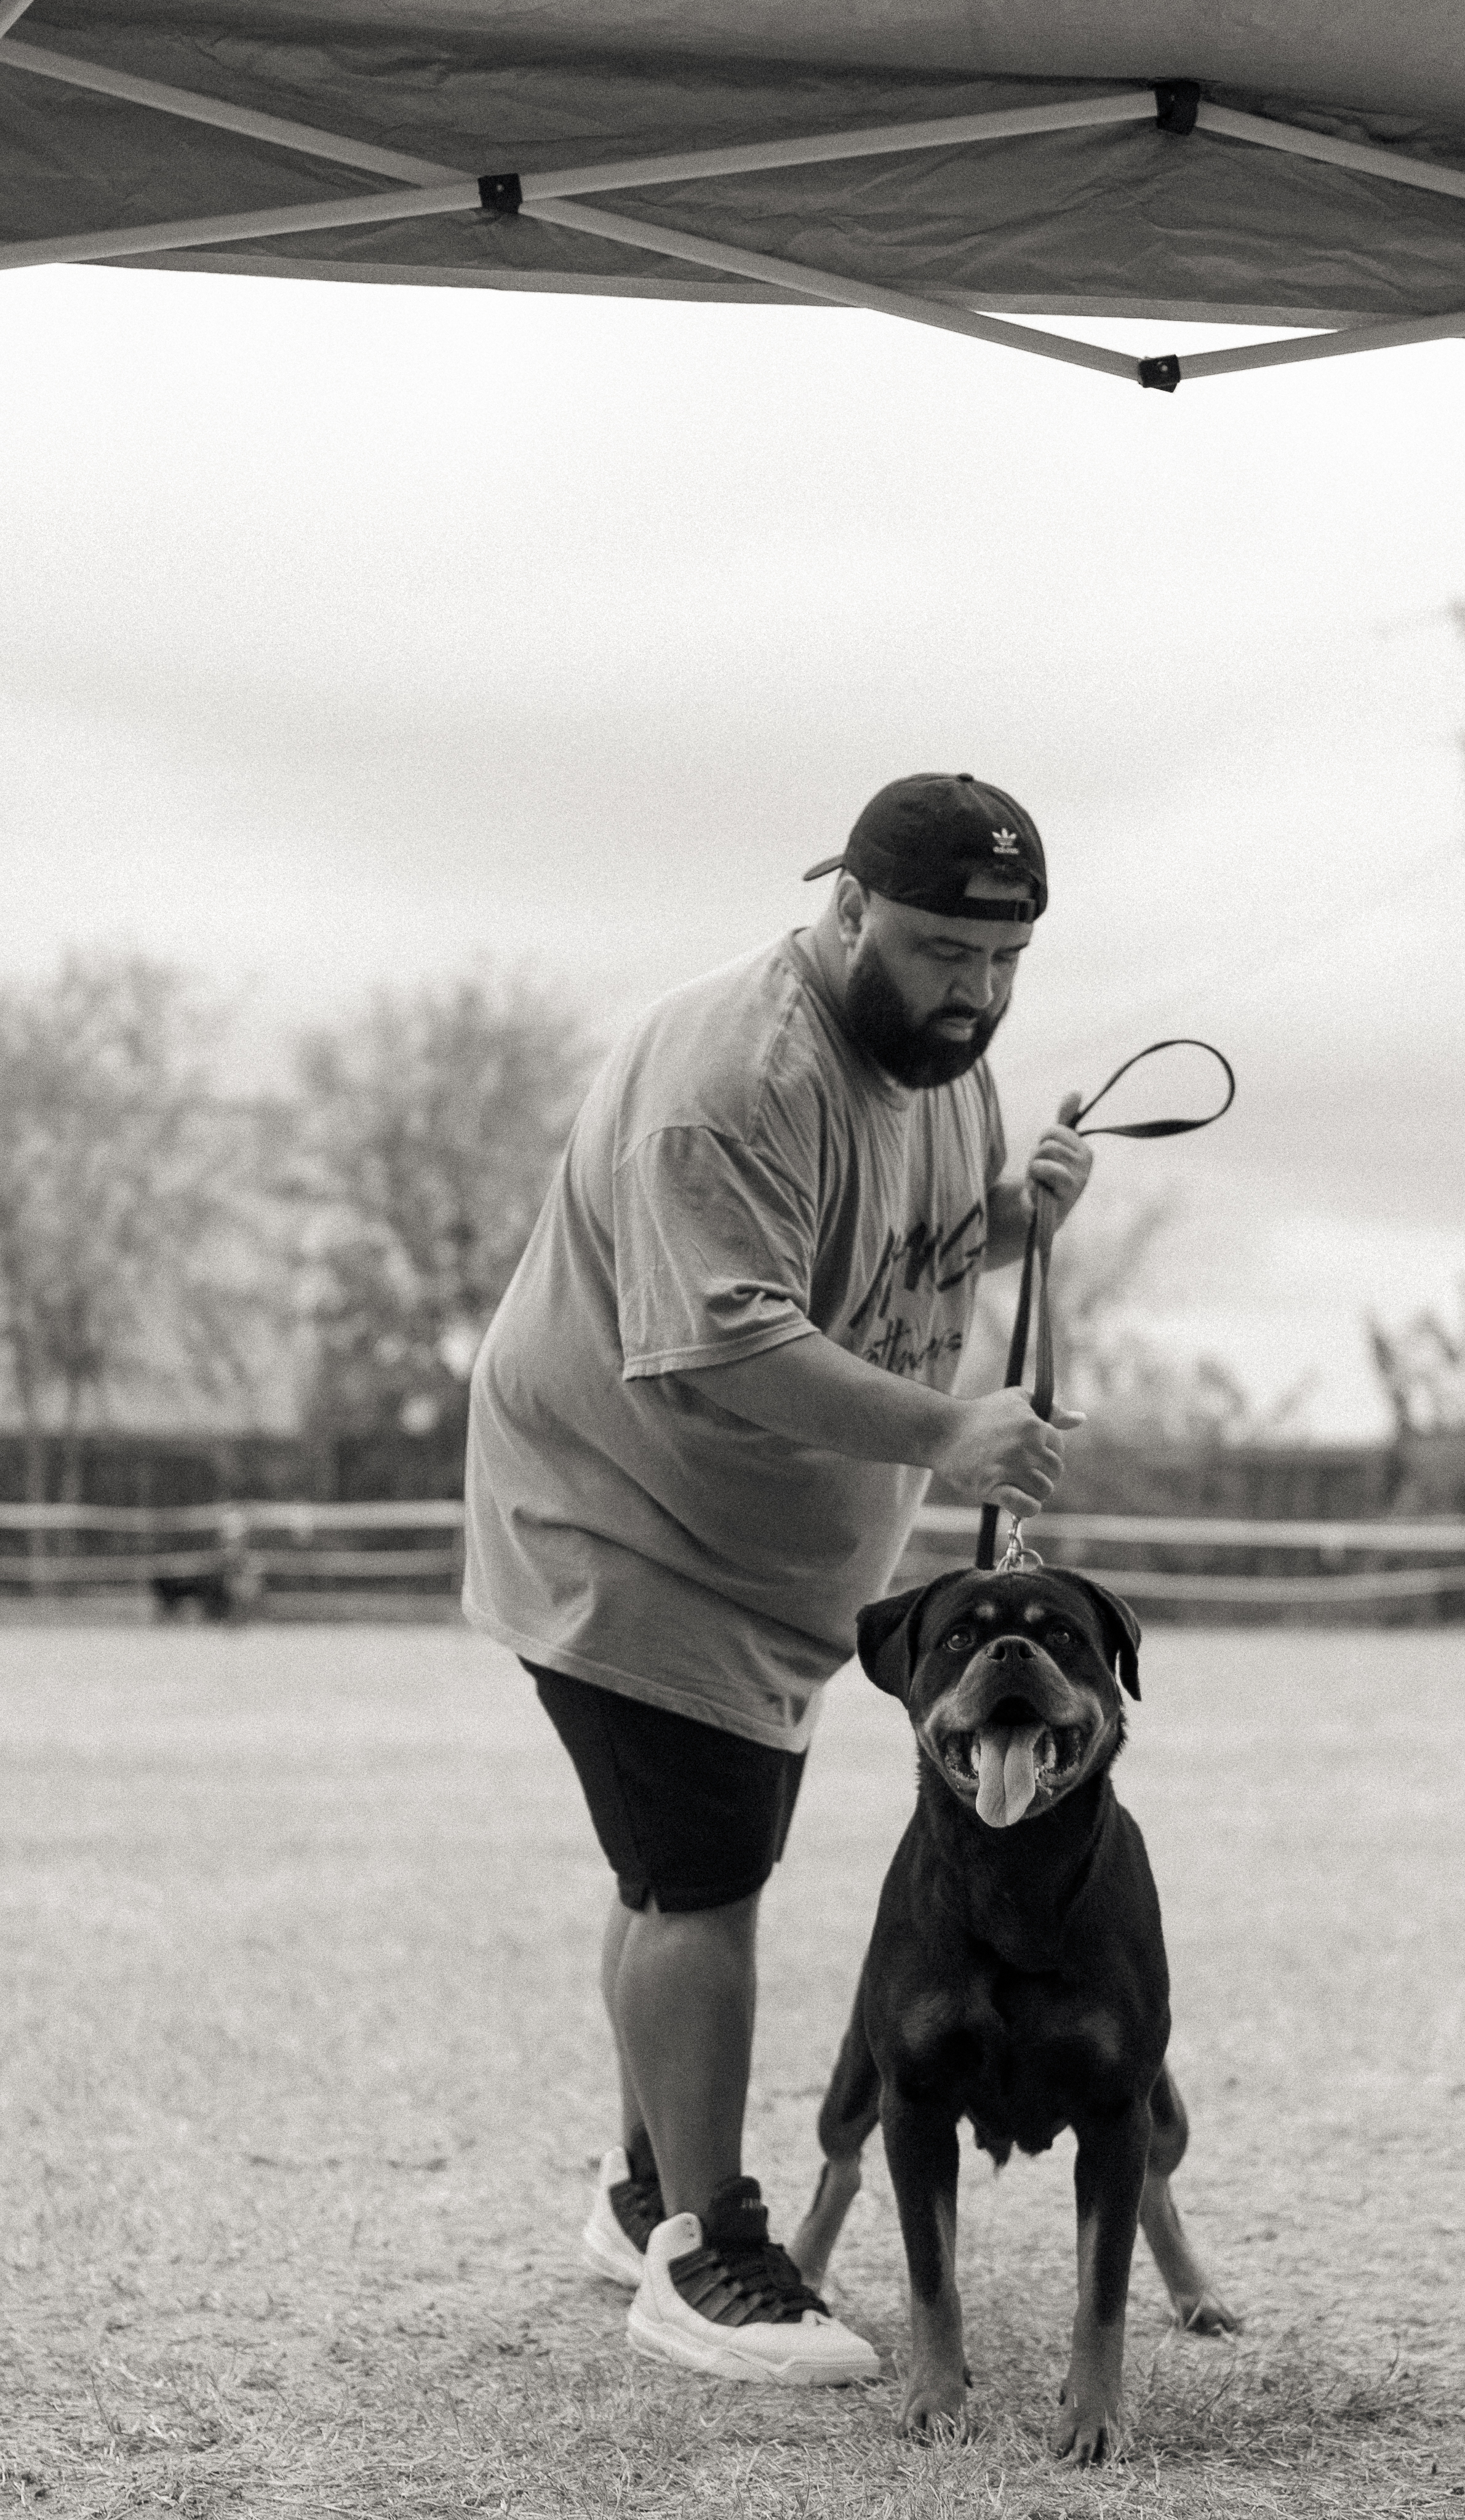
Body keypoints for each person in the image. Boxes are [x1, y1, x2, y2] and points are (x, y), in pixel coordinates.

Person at [461, 772, 1093, 2384]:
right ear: (848, 904)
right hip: (629, 1523)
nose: (980, 992)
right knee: (703, 1879)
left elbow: (900, 1242)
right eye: (950, 951)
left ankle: (640, 2193)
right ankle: (706, 2250)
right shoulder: (736, 1078)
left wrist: (1022, 1217)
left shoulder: (940, 1060)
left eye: (1007, 959)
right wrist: (951, 1428)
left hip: (761, 1564)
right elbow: (720, 1340)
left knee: (676, 1868)